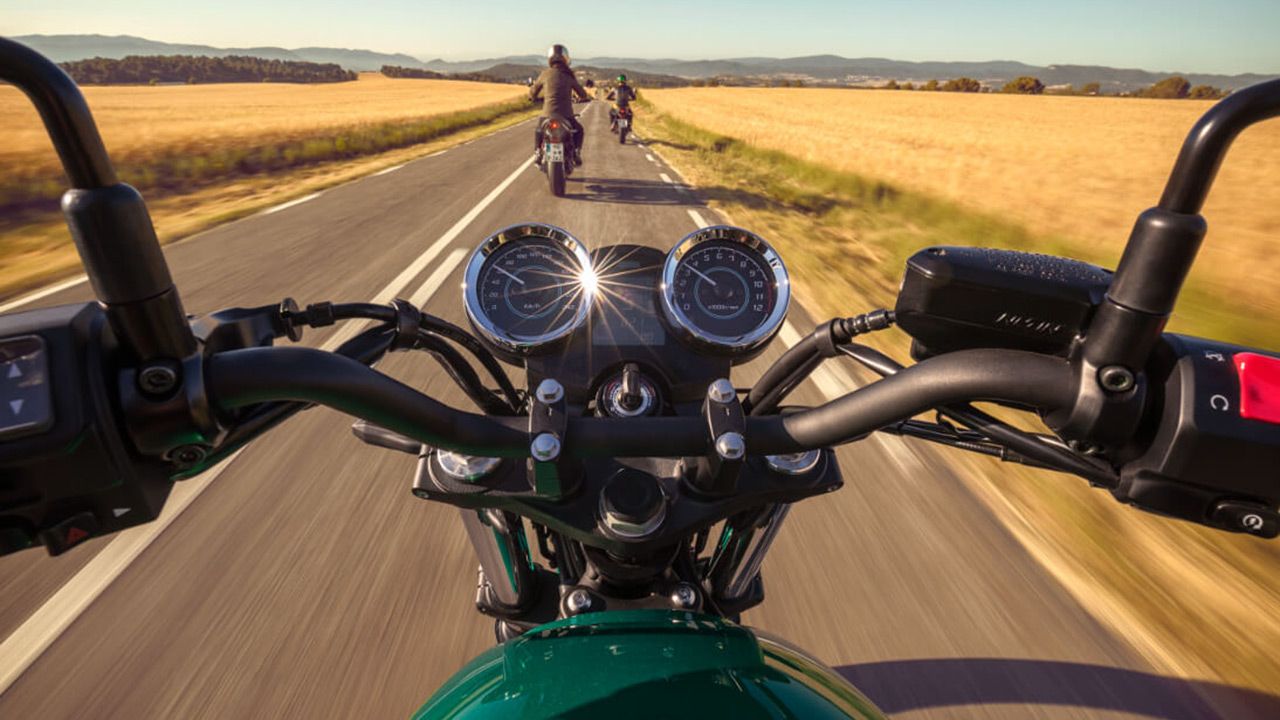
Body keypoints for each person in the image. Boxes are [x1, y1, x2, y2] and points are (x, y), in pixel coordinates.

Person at [530, 44, 591, 165]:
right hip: (566, 116)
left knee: (539, 130)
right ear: (565, 59)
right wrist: (583, 97)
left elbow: (533, 92)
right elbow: (582, 94)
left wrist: (533, 98)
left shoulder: (545, 74)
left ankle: (537, 152)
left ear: (550, 59)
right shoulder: (568, 75)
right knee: (579, 130)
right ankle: (576, 153)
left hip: (547, 115)